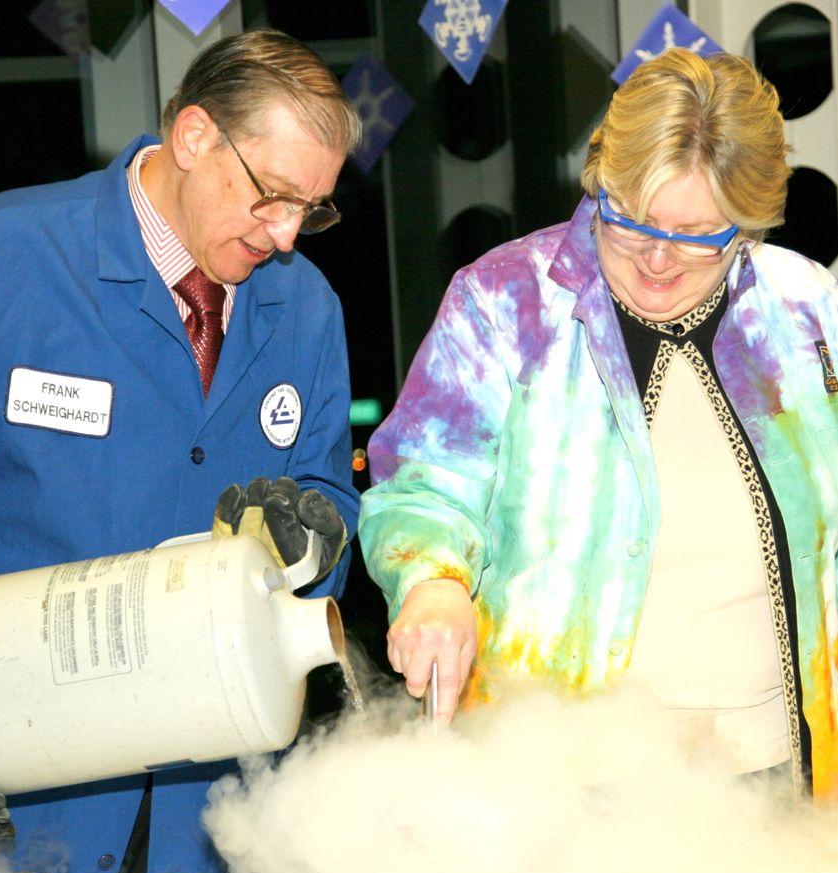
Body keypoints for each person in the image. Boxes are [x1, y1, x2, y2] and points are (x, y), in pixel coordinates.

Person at [0, 28, 362, 873]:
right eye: (274, 196)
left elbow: (327, 505)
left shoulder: (306, 309)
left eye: (311, 210)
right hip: (11, 808)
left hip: (210, 832)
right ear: (195, 136)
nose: (286, 236)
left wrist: (312, 540)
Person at [359, 47, 838, 800]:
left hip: (779, 764)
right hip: (567, 777)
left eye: (697, 236)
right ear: (600, 183)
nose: (657, 260)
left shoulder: (806, 309)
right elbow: (424, 486)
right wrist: (433, 582)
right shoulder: (504, 302)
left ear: (747, 230)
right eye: (631, 222)